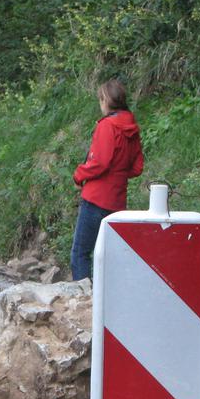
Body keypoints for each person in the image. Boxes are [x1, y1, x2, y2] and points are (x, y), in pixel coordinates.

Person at [70, 79, 144, 280]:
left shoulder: (107, 126)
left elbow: (99, 163)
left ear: (105, 100)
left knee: (80, 253)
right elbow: (137, 167)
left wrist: (78, 175)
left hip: (95, 199)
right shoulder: (131, 127)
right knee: (109, 258)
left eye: (100, 100)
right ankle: (107, 304)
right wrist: (118, 174)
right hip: (117, 202)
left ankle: (83, 304)